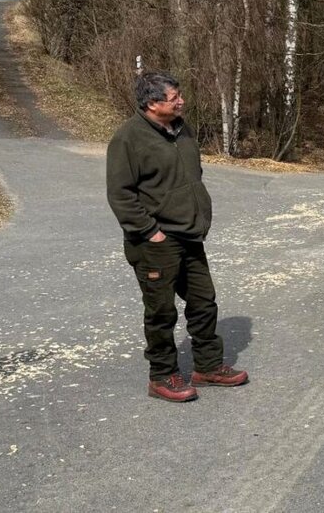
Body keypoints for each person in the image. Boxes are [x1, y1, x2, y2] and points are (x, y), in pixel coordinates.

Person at [107, 72, 248, 402]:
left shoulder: (183, 130)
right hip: (155, 241)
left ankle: (208, 366)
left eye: (179, 95)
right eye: (174, 98)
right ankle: (162, 375)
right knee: (161, 311)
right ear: (153, 104)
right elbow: (120, 194)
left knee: (203, 302)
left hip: (189, 236)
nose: (181, 101)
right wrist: (149, 231)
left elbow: (190, 176)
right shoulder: (128, 139)